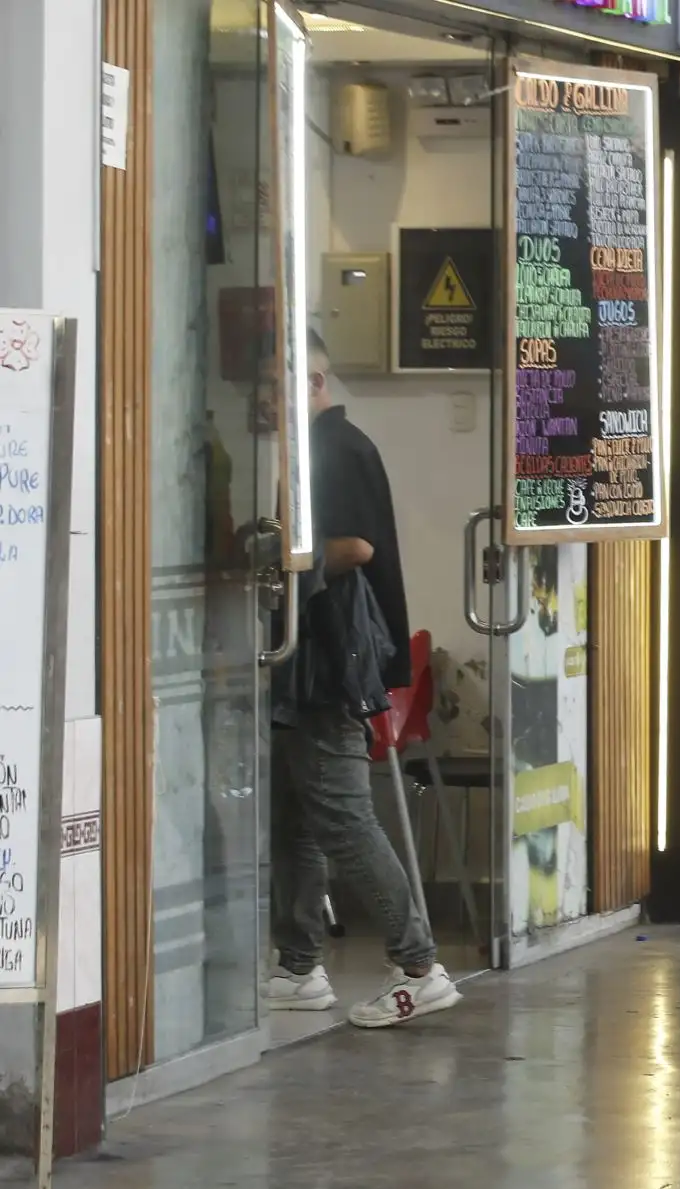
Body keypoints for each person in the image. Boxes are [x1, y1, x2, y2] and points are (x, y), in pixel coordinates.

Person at [262, 330, 461, 1028]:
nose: (262, 403)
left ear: (310, 384)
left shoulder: (336, 451)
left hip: (327, 663)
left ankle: (418, 963)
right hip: (303, 662)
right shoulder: (317, 448)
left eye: (272, 388)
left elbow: (355, 547)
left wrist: (279, 556)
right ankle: (298, 965)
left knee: (343, 818)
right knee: (295, 817)